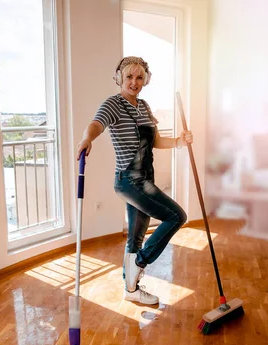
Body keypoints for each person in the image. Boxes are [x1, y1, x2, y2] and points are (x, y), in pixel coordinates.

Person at [77, 56, 193, 305]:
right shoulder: (113, 104)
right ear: (119, 78)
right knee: (176, 216)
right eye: (129, 76)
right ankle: (140, 262)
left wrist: (180, 142)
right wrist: (87, 139)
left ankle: (131, 290)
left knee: (136, 236)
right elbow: (96, 124)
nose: (134, 82)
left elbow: (157, 141)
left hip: (145, 177)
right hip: (129, 180)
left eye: (139, 77)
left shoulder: (144, 106)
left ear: (145, 80)